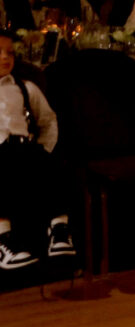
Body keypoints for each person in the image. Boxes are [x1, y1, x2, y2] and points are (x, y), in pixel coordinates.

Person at [0, 31, 71, 270]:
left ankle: (59, 229)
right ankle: (3, 240)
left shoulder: (25, 88)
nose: (5, 57)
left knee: (45, 162)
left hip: (24, 149)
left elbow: (48, 120)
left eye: (10, 53)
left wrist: (45, 148)